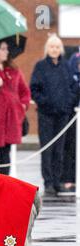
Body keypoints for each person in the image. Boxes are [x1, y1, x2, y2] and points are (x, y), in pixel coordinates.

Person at [30, 34, 78, 197]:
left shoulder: (66, 66)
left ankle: (58, 181)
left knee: (60, 149)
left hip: (63, 115)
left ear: (61, 49)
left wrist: (68, 102)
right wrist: (45, 103)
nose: (54, 50)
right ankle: (48, 182)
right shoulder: (40, 67)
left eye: (57, 47)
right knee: (47, 149)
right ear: (47, 49)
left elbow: (73, 87)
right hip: (46, 115)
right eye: (52, 46)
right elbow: (34, 89)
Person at [0, 40, 31, 176]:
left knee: (5, 155)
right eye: (3, 49)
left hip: (10, 120)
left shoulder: (14, 70)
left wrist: (22, 107)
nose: (6, 52)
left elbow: (25, 92)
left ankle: (3, 188)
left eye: (7, 49)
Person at [60, 51, 80, 193]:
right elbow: (70, 89)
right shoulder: (74, 58)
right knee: (70, 148)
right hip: (73, 114)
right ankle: (68, 178)